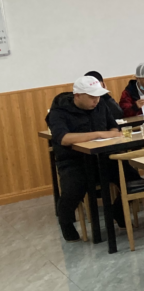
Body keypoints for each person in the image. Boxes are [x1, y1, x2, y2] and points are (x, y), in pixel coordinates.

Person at [47, 76, 123, 241]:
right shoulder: (59, 112)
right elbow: (64, 138)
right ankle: (66, 222)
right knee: (73, 189)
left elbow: (114, 128)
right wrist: (98, 134)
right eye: (91, 97)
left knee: (132, 179)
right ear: (77, 96)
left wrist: (108, 134)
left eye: (98, 96)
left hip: (103, 157)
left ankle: (117, 210)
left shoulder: (101, 105)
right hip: (73, 161)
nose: (96, 100)